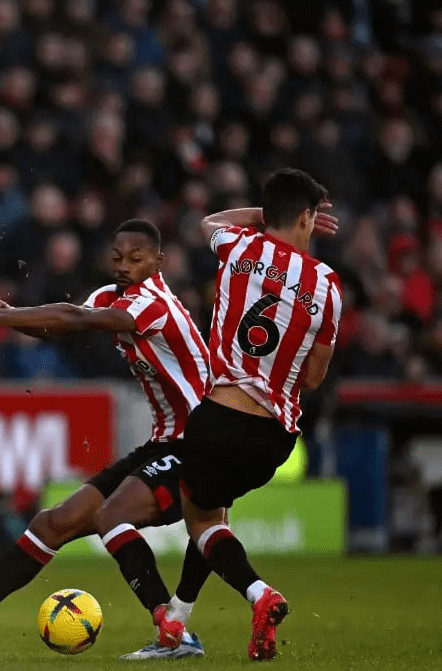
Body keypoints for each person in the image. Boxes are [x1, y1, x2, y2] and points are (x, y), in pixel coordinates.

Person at [0, 219, 211, 659]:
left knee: (115, 517)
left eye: (136, 259)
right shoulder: (111, 297)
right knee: (51, 524)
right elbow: (61, 323)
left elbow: (75, 318)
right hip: (163, 442)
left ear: (158, 262)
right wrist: (10, 313)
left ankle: (174, 632)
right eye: (117, 257)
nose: (124, 266)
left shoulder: (154, 304)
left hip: (197, 442)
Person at [102, 168, 342, 662]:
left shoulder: (238, 245)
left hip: (220, 417)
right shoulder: (328, 286)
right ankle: (178, 622)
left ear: (267, 214)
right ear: (307, 217)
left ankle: (258, 593)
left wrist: (263, 216)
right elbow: (315, 378)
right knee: (213, 513)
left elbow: (208, 222)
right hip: (276, 436)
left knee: (204, 522)